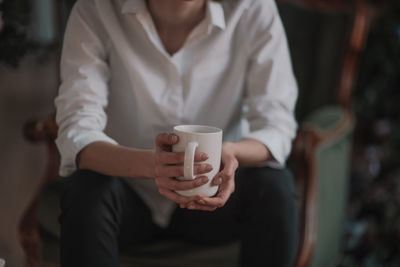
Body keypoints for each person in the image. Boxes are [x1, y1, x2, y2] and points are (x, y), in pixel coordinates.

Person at [55, 0, 299, 266]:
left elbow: (276, 125)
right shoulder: (96, 8)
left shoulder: (253, 8)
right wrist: (153, 166)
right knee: (86, 189)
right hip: (128, 199)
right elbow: (77, 129)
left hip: (217, 200)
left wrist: (228, 152)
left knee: (275, 187)